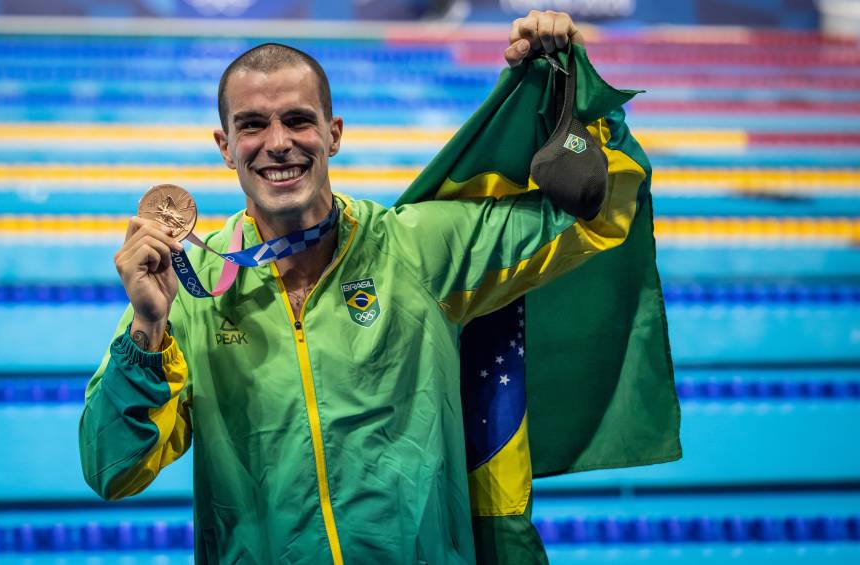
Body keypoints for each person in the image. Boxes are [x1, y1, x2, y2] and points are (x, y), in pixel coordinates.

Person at [79, 11, 638, 565]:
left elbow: (596, 211)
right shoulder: (191, 292)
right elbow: (113, 468)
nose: (278, 143)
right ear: (226, 146)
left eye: (298, 120)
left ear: (334, 134)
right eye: (252, 125)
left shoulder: (419, 250)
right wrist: (148, 327)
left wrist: (568, 89)